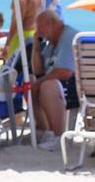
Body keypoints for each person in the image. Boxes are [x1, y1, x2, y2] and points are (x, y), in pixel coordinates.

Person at [31, 10, 79, 151]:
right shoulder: (51, 43)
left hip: (76, 85)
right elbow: (38, 71)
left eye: (40, 27)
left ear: (51, 24)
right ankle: (48, 132)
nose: (38, 32)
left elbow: (65, 72)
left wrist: (39, 82)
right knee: (32, 81)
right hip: (63, 83)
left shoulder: (69, 37)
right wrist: (35, 48)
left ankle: (59, 137)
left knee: (47, 86)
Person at [2, 0, 41, 68]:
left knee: (13, 71)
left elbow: (16, 21)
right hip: (35, 36)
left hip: (22, 37)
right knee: (30, 70)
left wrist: (7, 44)